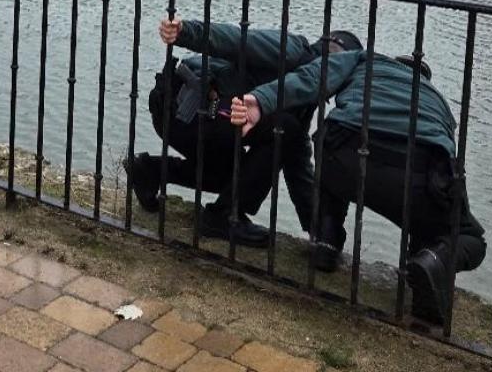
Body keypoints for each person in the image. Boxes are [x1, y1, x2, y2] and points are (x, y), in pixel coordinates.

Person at [230, 50, 487, 324]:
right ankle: (431, 260)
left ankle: (325, 241)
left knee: (332, 146)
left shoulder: (364, 61)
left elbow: (312, 77)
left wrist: (261, 100)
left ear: (393, 63)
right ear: (425, 78)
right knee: (466, 235)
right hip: (415, 173)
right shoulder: (438, 101)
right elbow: (445, 168)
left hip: (347, 153)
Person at [126, 15, 361, 247]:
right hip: (186, 107)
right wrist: (187, 31)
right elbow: (237, 40)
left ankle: (150, 170)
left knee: (231, 175)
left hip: (190, 115)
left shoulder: (303, 98)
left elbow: (296, 161)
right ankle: (225, 216)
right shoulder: (292, 50)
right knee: (284, 130)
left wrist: (319, 230)